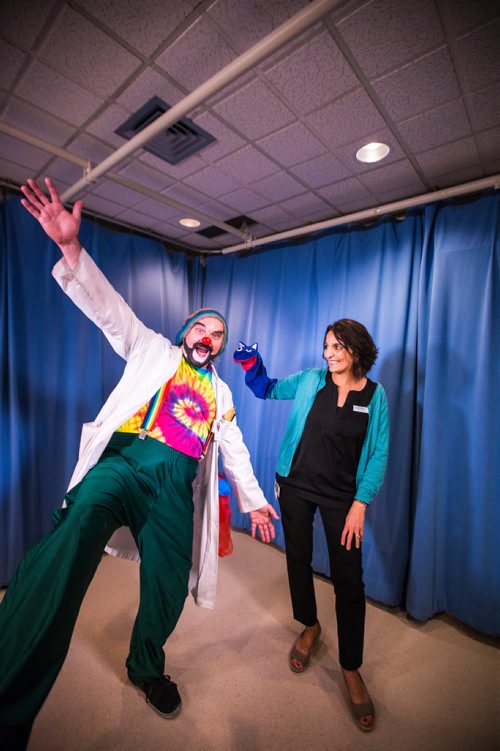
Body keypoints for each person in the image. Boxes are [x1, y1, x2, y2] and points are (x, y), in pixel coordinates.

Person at [0, 177, 278, 751]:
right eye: (202, 326)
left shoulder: (221, 395)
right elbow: (109, 309)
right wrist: (71, 249)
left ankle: (145, 667)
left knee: (169, 588)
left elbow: (234, 450)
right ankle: (7, 694)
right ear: (185, 332)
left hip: (175, 487)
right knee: (68, 541)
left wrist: (253, 500)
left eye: (219, 333)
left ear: (221, 350)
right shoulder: (150, 347)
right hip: (124, 462)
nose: (210, 334)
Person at [234, 320, 389, 732]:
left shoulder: (376, 397)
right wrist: (252, 365)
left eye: (337, 347)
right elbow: (265, 388)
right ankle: (310, 626)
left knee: (349, 583)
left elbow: (378, 455)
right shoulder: (310, 381)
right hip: (296, 488)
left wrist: (360, 503)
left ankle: (351, 668)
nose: (328, 354)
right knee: (297, 562)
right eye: (326, 346)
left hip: (344, 500)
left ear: (357, 350)